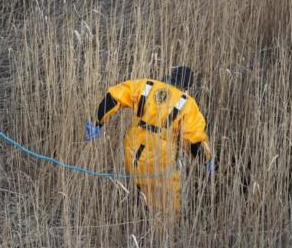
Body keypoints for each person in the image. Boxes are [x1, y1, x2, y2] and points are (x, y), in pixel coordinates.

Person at [85, 66, 213, 219]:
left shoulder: (146, 85)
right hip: (160, 153)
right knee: (168, 204)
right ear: (186, 86)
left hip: (132, 147)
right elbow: (194, 139)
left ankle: (135, 218)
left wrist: (97, 123)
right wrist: (206, 159)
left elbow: (113, 96)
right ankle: (162, 234)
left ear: (169, 75)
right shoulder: (187, 103)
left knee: (137, 188)